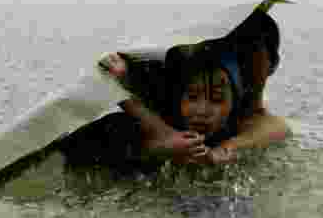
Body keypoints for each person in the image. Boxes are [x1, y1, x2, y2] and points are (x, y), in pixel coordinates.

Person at [86, 9, 290, 168]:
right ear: (178, 94)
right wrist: (160, 134)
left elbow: (277, 127)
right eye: (192, 96)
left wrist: (228, 148)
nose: (203, 111)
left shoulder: (242, 121)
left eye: (217, 99)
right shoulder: (159, 109)